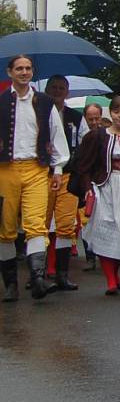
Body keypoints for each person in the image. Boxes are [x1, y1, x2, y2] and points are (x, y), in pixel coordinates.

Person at [0, 55, 69, 301]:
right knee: (5, 229)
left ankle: (38, 279)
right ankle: (10, 284)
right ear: (10, 72)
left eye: (28, 68)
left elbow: (57, 136)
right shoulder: (1, 101)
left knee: (36, 225)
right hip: (5, 169)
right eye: (19, 68)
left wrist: (58, 169)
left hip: (36, 169)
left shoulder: (45, 103)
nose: (24, 72)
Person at [74, 96, 120, 295]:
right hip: (105, 188)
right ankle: (111, 279)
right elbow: (84, 165)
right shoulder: (98, 136)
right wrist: (88, 188)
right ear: (110, 113)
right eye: (116, 112)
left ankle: (115, 273)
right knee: (108, 229)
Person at [44, 74, 89, 290]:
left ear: (67, 92)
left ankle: (62, 275)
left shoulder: (76, 117)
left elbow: (86, 144)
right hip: (42, 173)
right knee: (39, 224)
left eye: (61, 88)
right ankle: (40, 273)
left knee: (65, 225)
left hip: (68, 175)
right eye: (54, 87)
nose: (57, 91)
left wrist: (78, 166)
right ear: (46, 90)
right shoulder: (38, 113)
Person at [79, 102, 104, 272]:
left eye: (96, 118)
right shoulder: (82, 135)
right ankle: (90, 256)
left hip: (102, 181)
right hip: (86, 181)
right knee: (85, 219)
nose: (94, 122)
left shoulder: (105, 134)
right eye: (90, 119)